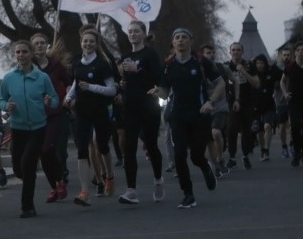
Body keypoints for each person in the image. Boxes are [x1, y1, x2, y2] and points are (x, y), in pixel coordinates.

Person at [153, 28, 224, 209]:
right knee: (179, 155)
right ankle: (188, 194)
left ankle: (206, 168)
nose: (181, 41)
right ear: (173, 42)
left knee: (196, 156)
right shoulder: (168, 65)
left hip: (199, 114)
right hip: (178, 116)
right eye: (177, 38)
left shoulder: (200, 62)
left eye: (184, 37)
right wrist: (157, 92)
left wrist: (210, 102)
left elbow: (221, 83)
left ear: (191, 42)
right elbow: (165, 91)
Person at [0, 40, 59, 218]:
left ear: (31, 53)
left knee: (28, 163)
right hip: (18, 128)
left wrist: (50, 102)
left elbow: (55, 99)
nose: (21, 55)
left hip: (38, 127)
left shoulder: (42, 77)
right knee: (19, 169)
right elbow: (1, 99)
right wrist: (6, 106)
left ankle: (28, 206)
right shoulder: (9, 78)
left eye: (24, 52)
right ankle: (28, 180)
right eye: (17, 52)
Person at [64, 28, 117, 206]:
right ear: (81, 42)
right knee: (82, 150)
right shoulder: (77, 61)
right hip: (82, 111)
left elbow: (112, 89)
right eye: (85, 41)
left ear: (96, 44)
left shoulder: (103, 64)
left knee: (102, 146)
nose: (88, 44)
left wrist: (92, 87)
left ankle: (108, 175)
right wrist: (69, 96)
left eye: (91, 41)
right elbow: (75, 83)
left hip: (100, 110)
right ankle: (84, 191)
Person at [117, 21, 165, 204]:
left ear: (144, 34)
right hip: (130, 107)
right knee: (129, 148)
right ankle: (131, 190)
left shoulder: (150, 54)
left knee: (151, 145)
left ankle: (158, 180)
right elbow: (127, 81)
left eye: (136, 31)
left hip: (148, 105)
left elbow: (156, 78)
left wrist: (137, 71)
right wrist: (122, 84)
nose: (133, 34)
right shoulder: (126, 56)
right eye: (130, 31)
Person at [30, 32, 72, 202]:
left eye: (42, 43)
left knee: (50, 149)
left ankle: (60, 179)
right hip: (36, 115)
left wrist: (68, 94)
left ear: (47, 45)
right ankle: (55, 186)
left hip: (55, 113)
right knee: (42, 152)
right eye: (36, 43)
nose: (39, 46)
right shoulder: (28, 67)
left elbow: (69, 82)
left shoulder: (56, 66)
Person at [199, 44, 232, 178]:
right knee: (209, 138)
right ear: (203, 55)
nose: (211, 55)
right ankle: (215, 163)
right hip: (204, 107)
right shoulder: (199, 69)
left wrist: (235, 99)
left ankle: (219, 158)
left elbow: (234, 81)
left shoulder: (222, 68)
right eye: (208, 53)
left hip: (220, 106)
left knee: (216, 132)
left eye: (213, 52)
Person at [225, 42, 256, 170]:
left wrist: (244, 72)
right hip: (231, 102)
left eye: (238, 50)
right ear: (230, 52)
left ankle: (245, 155)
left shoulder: (249, 65)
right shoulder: (226, 66)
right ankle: (232, 157)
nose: (236, 52)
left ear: (242, 52)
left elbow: (257, 83)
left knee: (246, 130)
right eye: (233, 50)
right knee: (231, 129)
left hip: (247, 101)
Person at [250, 54, 281, 162]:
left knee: (268, 126)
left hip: (269, 104)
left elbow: (282, 75)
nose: (260, 65)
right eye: (257, 63)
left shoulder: (270, 72)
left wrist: (274, 65)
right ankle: (262, 149)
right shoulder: (253, 73)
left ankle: (267, 150)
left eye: (262, 63)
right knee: (259, 130)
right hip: (256, 105)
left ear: (265, 64)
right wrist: (250, 62)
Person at [275, 46, 294, 158]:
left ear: (291, 56)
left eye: (288, 55)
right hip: (281, 100)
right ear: (281, 56)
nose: (286, 57)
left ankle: (292, 144)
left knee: (293, 125)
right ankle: (284, 146)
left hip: (293, 100)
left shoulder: (294, 67)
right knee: (282, 126)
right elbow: (274, 84)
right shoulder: (277, 69)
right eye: (284, 55)